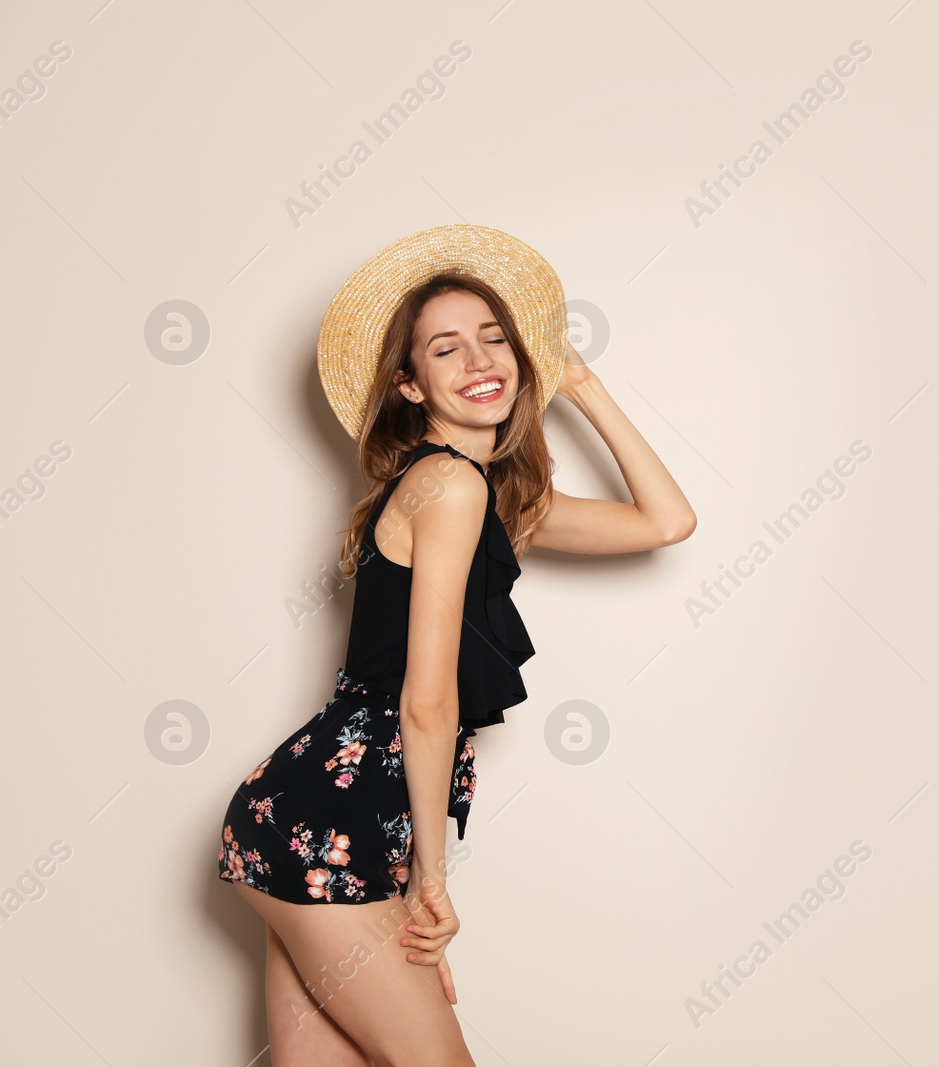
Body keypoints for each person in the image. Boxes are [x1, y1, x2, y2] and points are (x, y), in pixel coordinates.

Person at [215, 225, 695, 1065]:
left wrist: (579, 382)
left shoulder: (485, 496)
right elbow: (426, 701)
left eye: (496, 338)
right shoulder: (449, 486)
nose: (480, 360)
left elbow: (667, 521)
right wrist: (428, 879)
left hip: (303, 810)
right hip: (336, 819)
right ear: (408, 382)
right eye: (446, 348)